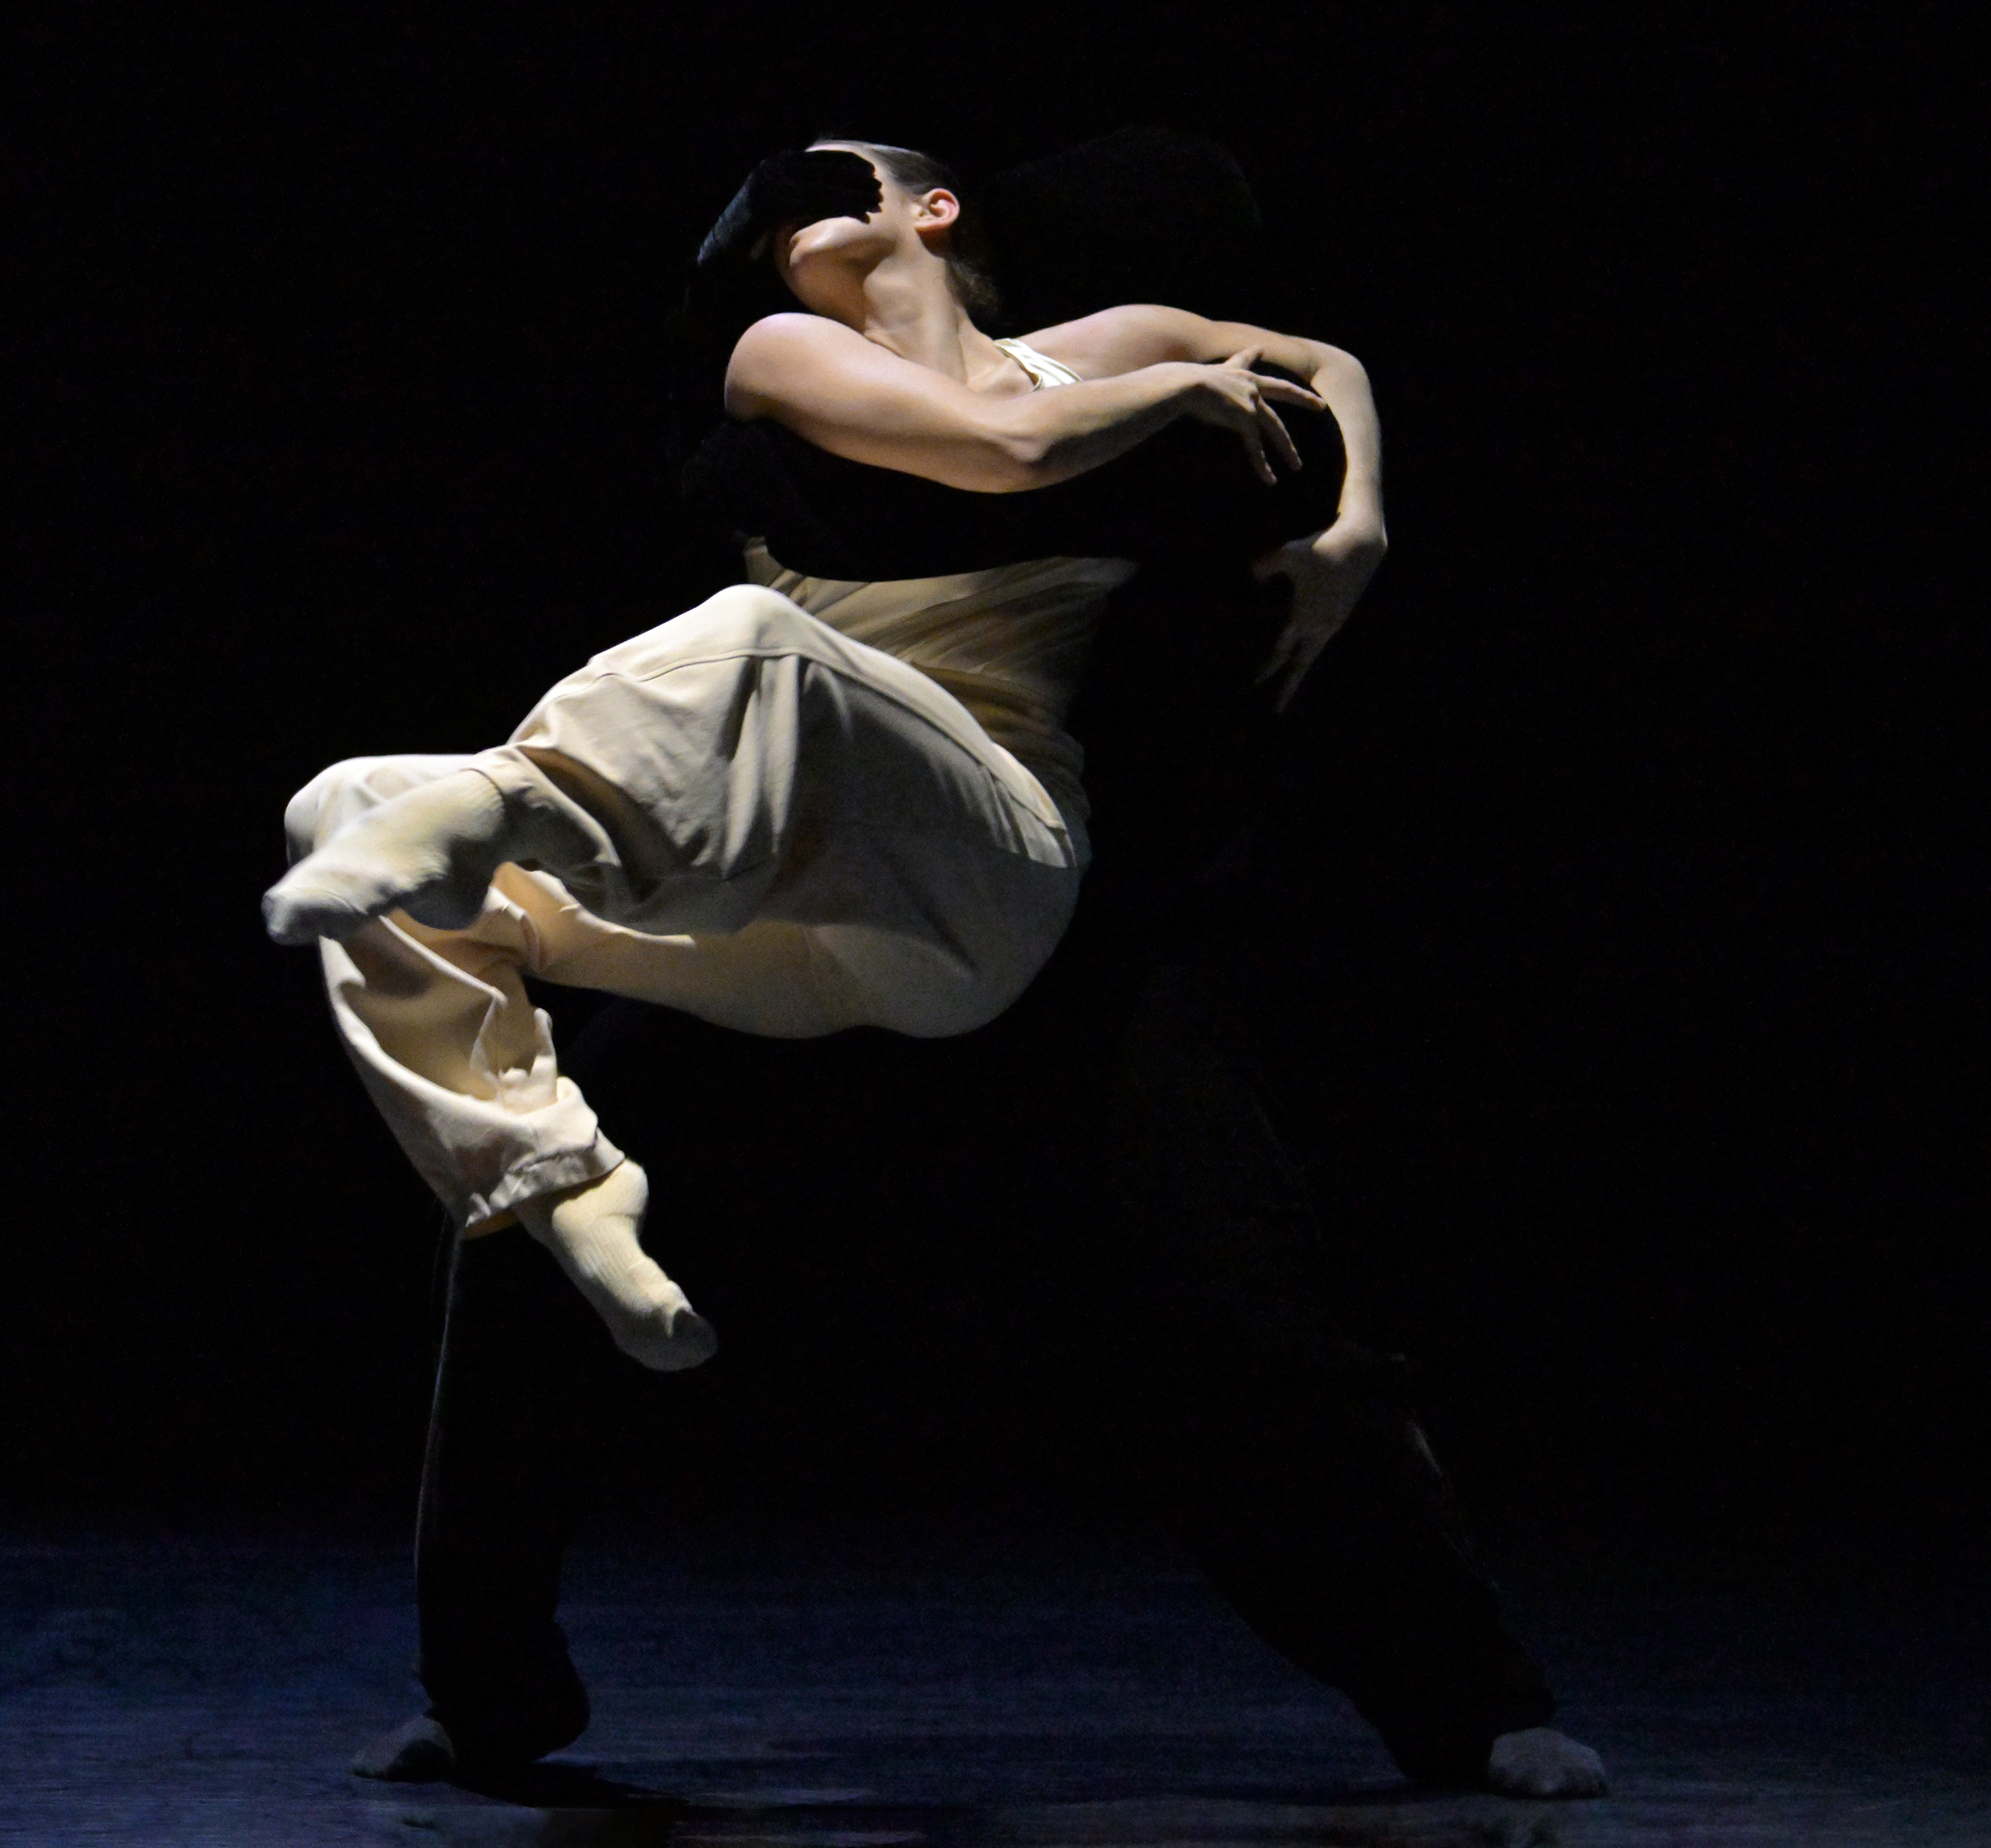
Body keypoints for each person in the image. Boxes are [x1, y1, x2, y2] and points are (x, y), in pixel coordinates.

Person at [269, 139, 1607, 1799]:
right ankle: (491, 1685)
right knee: (519, 1235)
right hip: (776, 849)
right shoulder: (798, 354)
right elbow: (1003, 446)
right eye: (760, 218)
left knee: (1240, 1318)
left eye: (819, 183)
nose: (777, 221)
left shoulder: (1110, 343)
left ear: (931, 206)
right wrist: (1188, 389)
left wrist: (1358, 520)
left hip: (995, 862)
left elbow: (1322, 364)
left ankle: (1470, 1707)